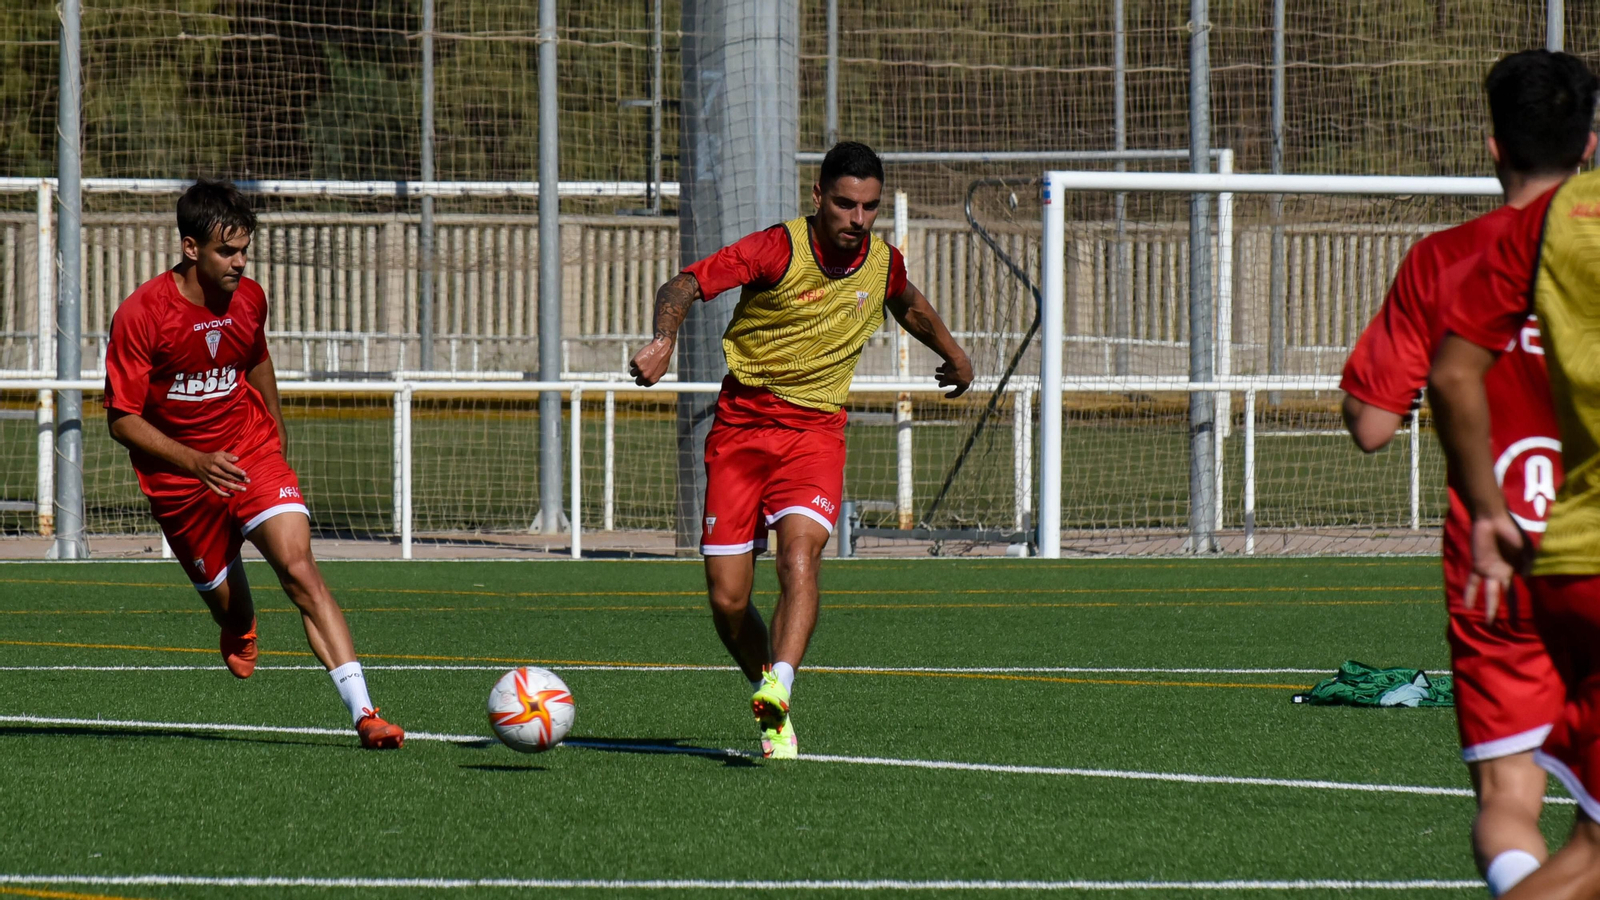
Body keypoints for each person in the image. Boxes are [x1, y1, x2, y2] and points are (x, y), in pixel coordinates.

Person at [629, 142, 973, 759]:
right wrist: (663, 339)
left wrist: (954, 353)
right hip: (740, 428)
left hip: (816, 433)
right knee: (728, 600)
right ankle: (766, 685)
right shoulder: (775, 249)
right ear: (818, 198)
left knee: (800, 557)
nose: (857, 219)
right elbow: (684, 283)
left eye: (869, 207)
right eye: (845, 203)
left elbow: (910, 306)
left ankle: (779, 690)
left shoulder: (880, 263)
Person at [1343, 49, 1593, 896]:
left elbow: (1373, 426)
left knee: (1506, 793)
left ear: (1494, 148)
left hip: (1492, 560)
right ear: (1589, 146)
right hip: (1591, 546)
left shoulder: (1445, 260)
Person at [103, 179, 404, 750]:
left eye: (245, 250)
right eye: (227, 251)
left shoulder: (250, 298)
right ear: (191, 248)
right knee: (230, 610)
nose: (240, 263)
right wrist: (195, 461)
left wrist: (277, 428)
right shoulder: (141, 315)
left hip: (250, 452)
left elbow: (256, 359)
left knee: (299, 569)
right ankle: (238, 624)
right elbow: (122, 419)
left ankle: (366, 713)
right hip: (181, 482)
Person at [1426, 54, 1600, 899]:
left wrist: (1490, 512)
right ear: (1592, 140)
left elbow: (1451, 374)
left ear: (1496, 147)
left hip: (1561, 555)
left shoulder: (1533, 233)